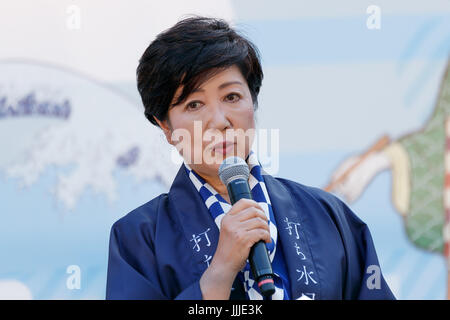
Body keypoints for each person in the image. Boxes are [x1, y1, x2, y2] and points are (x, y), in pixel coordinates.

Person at [105, 15, 395, 300]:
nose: (219, 121)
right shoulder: (138, 239)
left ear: (253, 102)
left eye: (231, 97)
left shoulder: (329, 216)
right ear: (166, 126)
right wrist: (218, 274)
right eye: (194, 104)